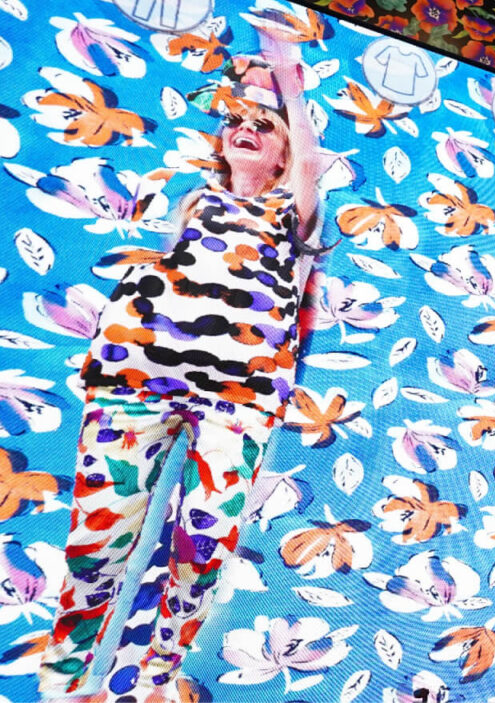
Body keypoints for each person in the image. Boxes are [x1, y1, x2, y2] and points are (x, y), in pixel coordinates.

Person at [39, 32, 327, 701]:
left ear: (285, 152)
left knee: (204, 550)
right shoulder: (198, 201)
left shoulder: (293, 210)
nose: (247, 128)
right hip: (136, 380)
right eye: (237, 121)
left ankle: (157, 674)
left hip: (237, 399)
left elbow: (311, 162)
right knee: (96, 542)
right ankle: (66, 681)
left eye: (265, 126)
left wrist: (288, 78)